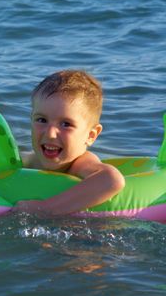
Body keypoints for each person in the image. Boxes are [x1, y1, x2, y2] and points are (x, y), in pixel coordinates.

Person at [13, 70, 125, 216]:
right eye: (41, 120)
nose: (50, 134)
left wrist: (46, 208)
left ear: (91, 135)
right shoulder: (28, 161)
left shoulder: (81, 164)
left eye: (66, 124)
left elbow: (112, 180)